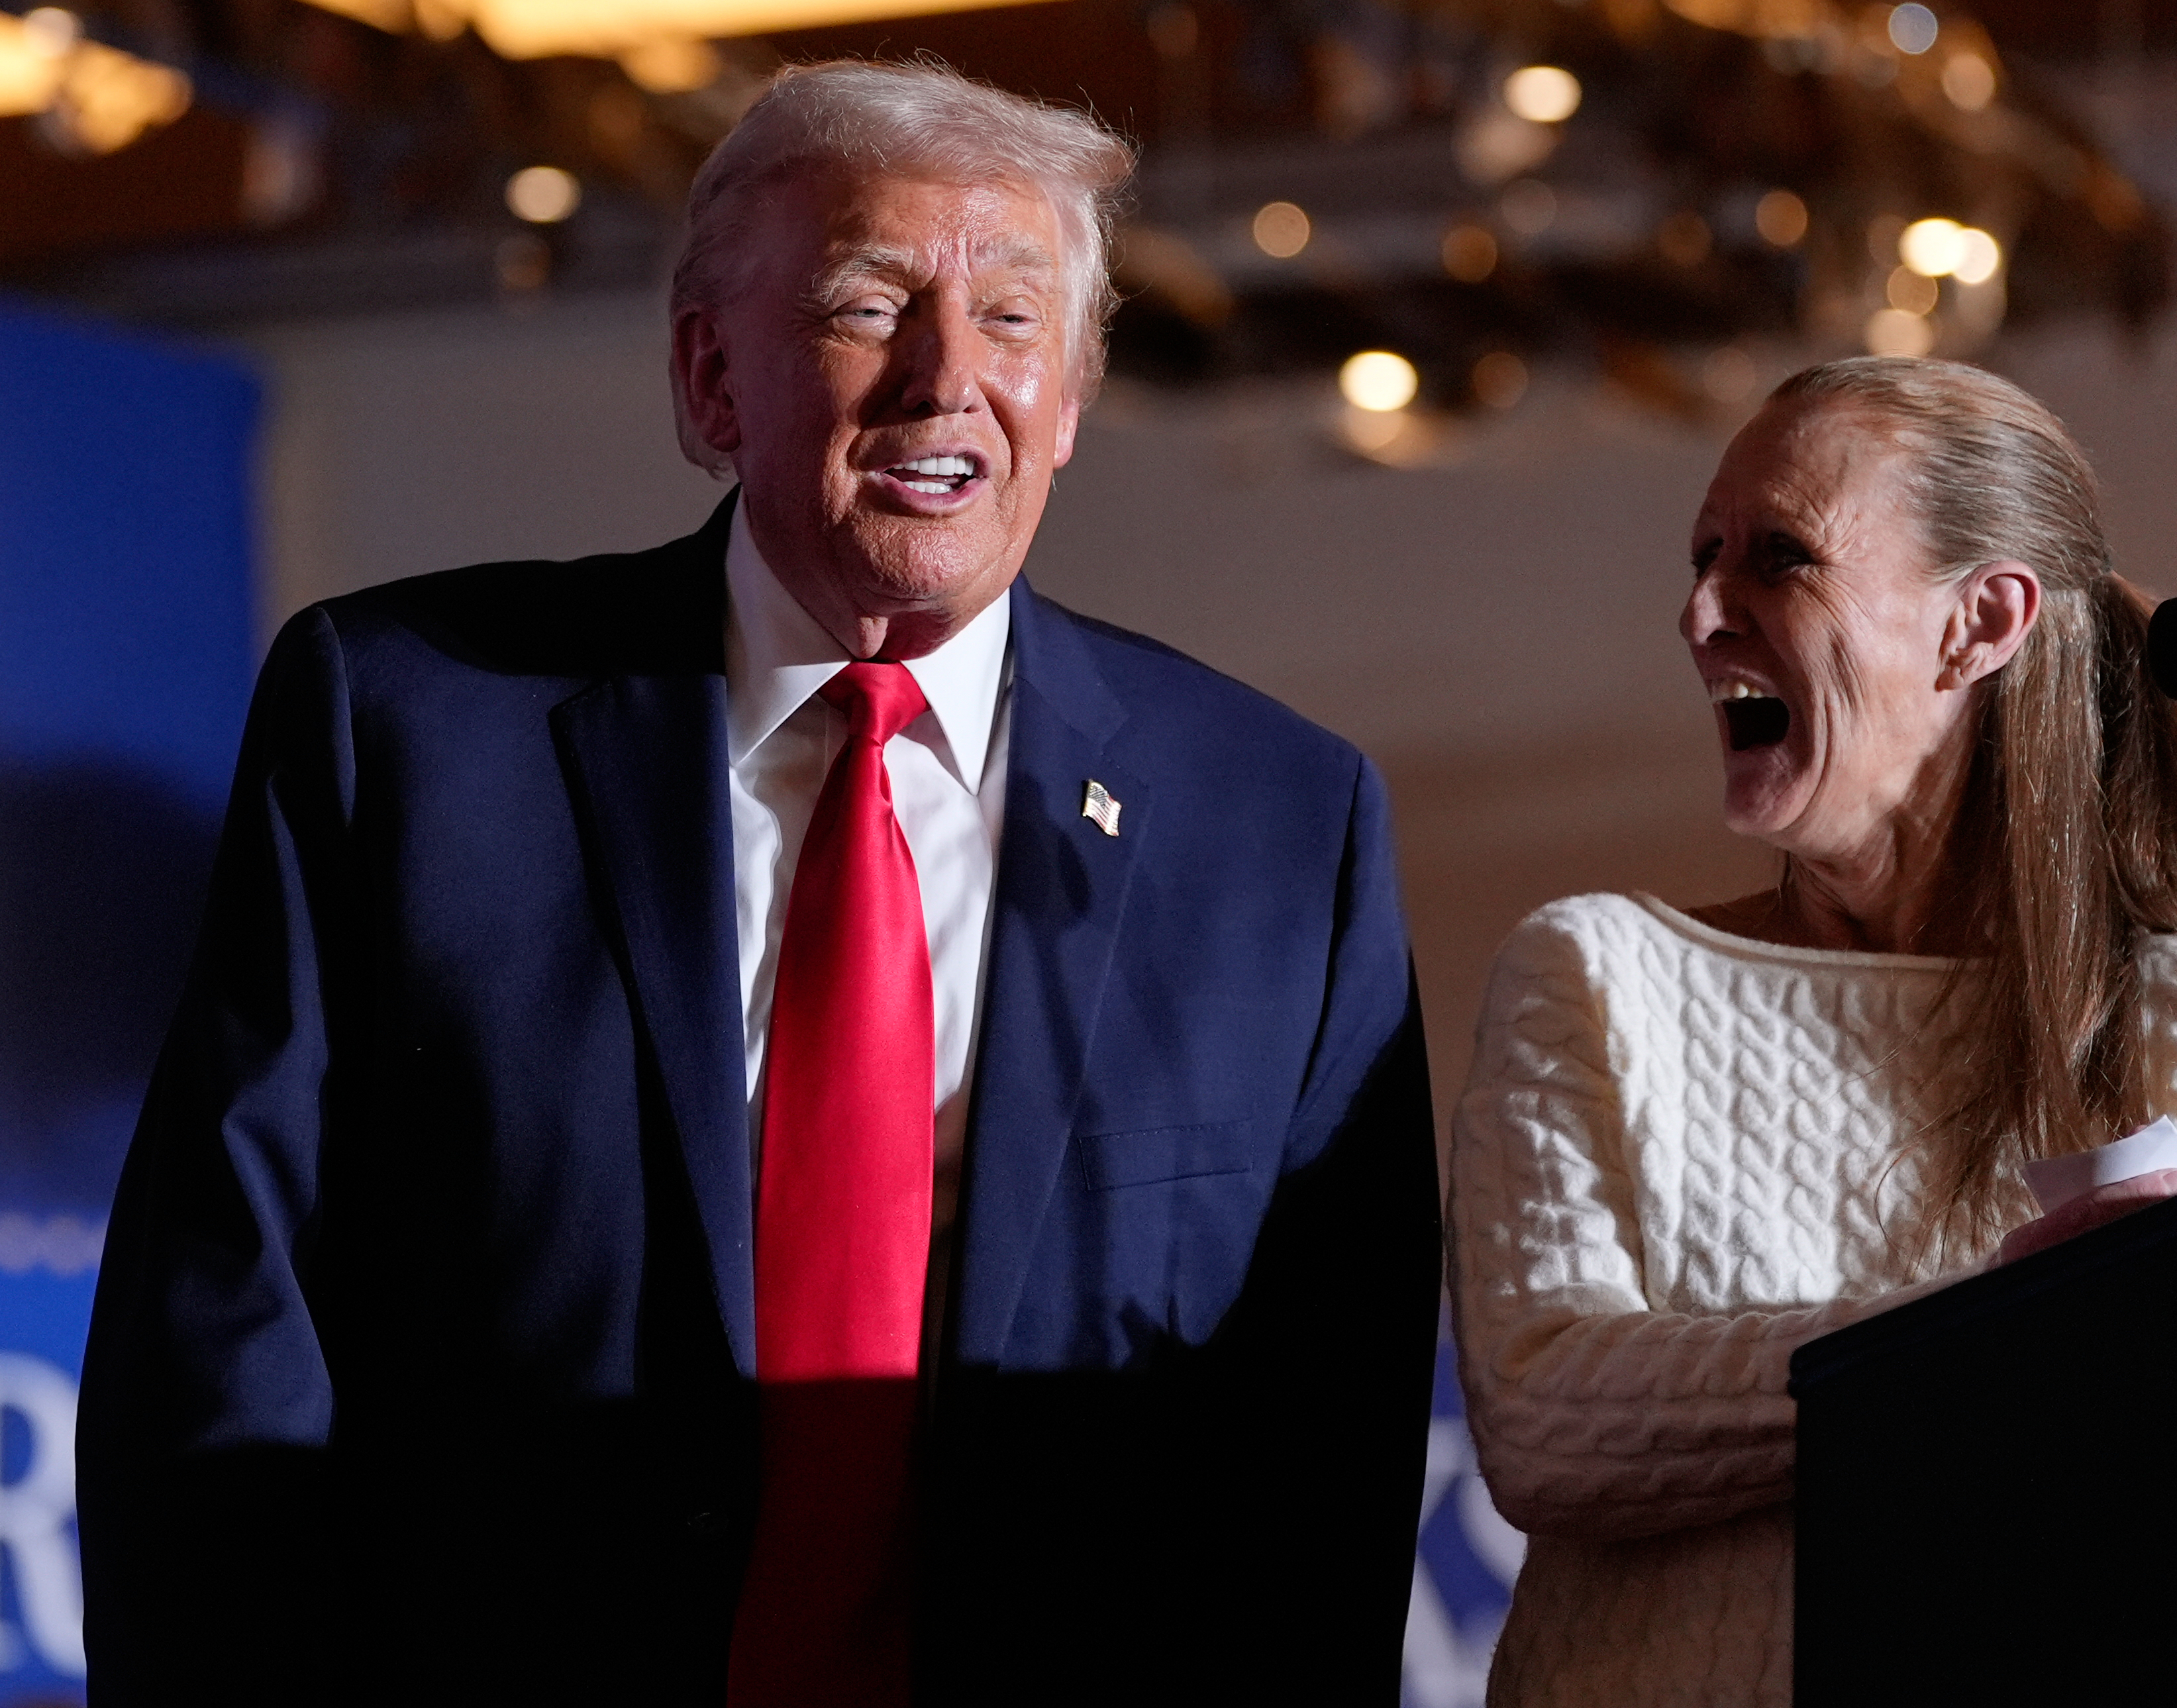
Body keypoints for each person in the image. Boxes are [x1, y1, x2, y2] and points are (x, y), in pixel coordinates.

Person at [79, 62, 1440, 1707]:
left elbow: (1327, 1445)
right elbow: (220, 1332)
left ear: (1070, 404)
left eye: (1013, 321)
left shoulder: (1278, 821)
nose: (948, 378)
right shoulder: (409, 726)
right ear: (711, 378)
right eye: (869, 306)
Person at [1444, 356, 2177, 1707]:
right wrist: (2014, 1328)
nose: (1699, 612)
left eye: (1779, 557)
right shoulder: (1592, 973)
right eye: (1703, 557)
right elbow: (1547, 1422)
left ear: (1978, 623)